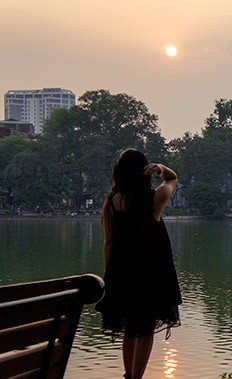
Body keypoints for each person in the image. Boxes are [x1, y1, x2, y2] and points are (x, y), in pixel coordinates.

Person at [95, 148, 182, 379]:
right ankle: (135, 377)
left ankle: (128, 375)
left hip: (122, 274)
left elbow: (108, 242)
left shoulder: (113, 201)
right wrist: (161, 168)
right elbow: (172, 178)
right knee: (144, 330)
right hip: (150, 275)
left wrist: (109, 276)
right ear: (145, 173)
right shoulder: (155, 199)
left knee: (131, 328)